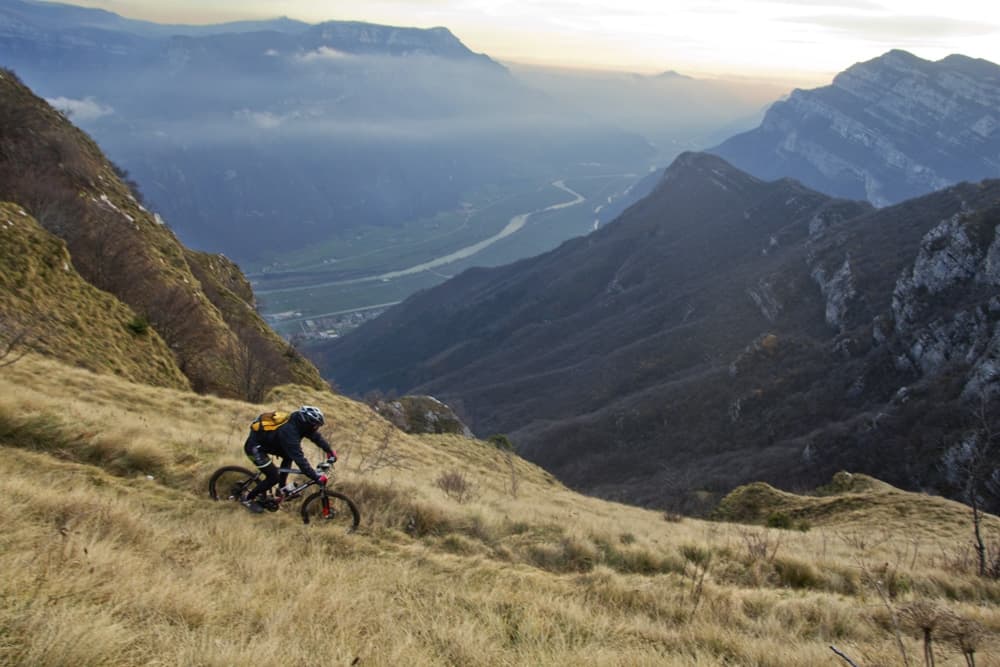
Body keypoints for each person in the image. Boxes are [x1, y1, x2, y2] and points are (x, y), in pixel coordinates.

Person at [242, 405, 337, 513]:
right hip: (255, 448)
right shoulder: (289, 432)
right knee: (273, 477)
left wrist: (329, 451)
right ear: (307, 422)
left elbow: (316, 437)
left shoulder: (301, 424)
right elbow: (299, 459)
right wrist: (315, 477)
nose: (316, 428)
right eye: (315, 425)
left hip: (270, 444)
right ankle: (248, 499)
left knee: (288, 457)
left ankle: (282, 488)